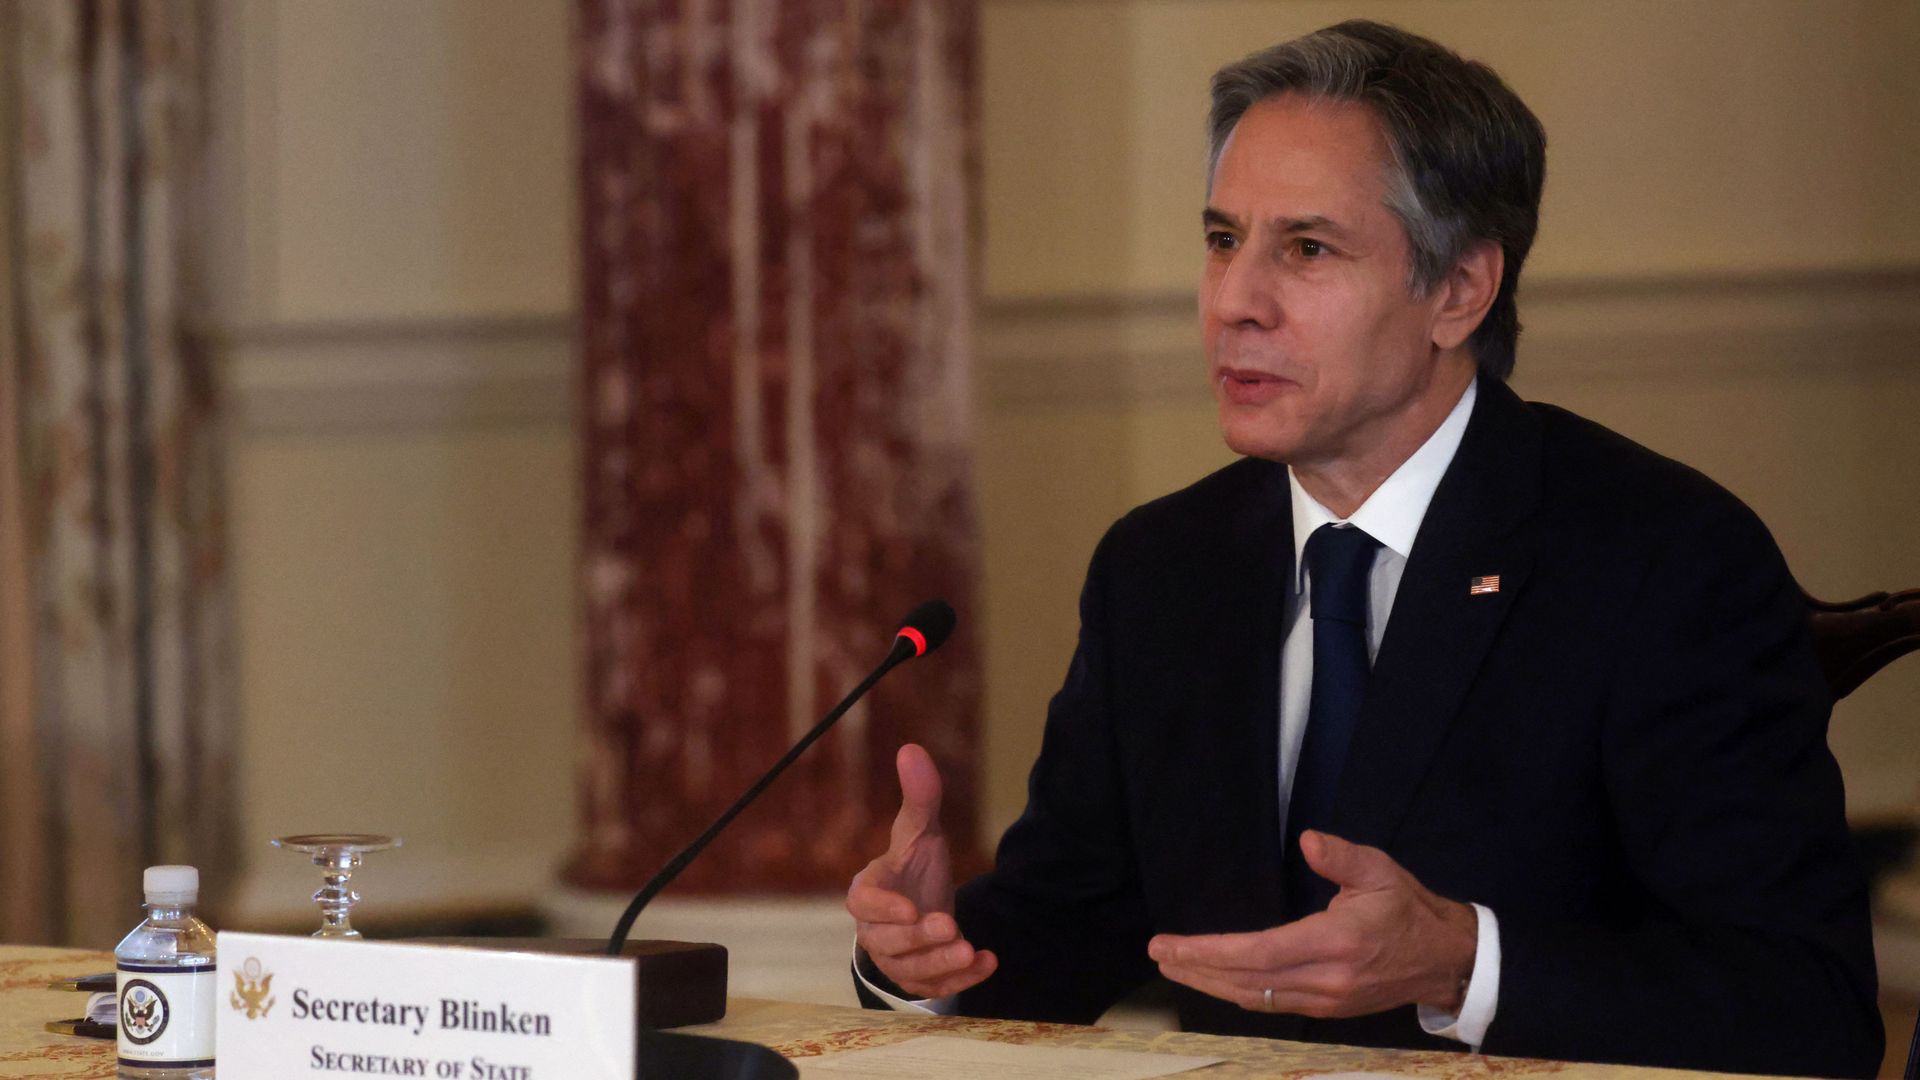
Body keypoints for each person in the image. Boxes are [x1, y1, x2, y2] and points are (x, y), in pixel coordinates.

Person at [845, 20, 1882, 1077]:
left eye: (1306, 249)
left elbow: (1807, 1008)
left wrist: (1462, 967)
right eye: (1221, 240)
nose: (1234, 304)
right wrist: (930, 958)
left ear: (1459, 291)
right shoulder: (1164, 568)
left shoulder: (1662, 560)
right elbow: (1066, 934)